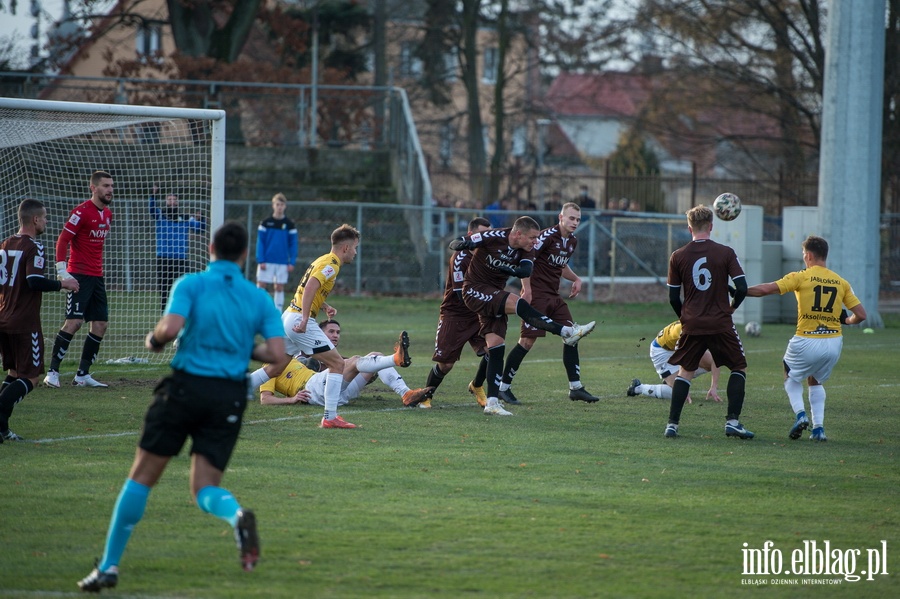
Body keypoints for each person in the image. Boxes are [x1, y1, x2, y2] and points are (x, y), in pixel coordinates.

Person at [77, 221, 285, 592]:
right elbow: (278, 354)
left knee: (142, 476)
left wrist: (154, 340)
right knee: (204, 488)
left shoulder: (190, 283)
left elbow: (170, 329)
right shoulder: (258, 298)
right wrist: (241, 348)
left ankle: (109, 566)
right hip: (229, 396)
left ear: (210, 249)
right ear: (244, 256)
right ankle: (235, 515)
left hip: (186, 388)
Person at [449, 216, 596, 416]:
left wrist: (508, 269)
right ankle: (566, 331)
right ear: (518, 234)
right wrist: (463, 243)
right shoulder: (495, 236)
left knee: (496, 347)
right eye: (532, 238)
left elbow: (526, 269)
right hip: (474, 290)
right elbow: (457, 243)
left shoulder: (528, 249)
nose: (535, 241)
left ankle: (492, 403)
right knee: (518, 303)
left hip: (493, 296)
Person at [248, 224, 375, 429]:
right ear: (345, 248)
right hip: (298, 318)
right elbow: (311, 286)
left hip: (289, 315)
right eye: (355, 247)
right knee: (337, 364)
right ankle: (330, 417)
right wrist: (306, 318)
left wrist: (323, 305)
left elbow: (308, 288)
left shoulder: (323, 259)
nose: (355, 252)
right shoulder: (332, 264)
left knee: (275, 367)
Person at [746, 235, 866, 442]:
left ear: (809, 255)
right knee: (815, 380)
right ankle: (819, 429)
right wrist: (847, 321)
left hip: (807, 339)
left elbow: (766, 289)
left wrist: (741, 291)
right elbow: (862, 315)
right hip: (834, 342)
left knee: (789, 374)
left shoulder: (801, 276)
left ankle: (801, 415)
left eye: (804, 255)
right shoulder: (841, 282)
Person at [664, 204, 751, 439]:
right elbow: (741, 287)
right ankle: (732, 421)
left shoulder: (678, 256)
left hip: (692, 322)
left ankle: (672, 424)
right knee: (738, 366)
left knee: (685, 371)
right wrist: (732, 308)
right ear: (711, 226)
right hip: (720, 322)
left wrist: (685, 317)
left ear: (688, 227)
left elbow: (673, 297)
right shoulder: (726, 252)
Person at [498, 203, 600, 405]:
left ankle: (576, 387)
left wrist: (576, 279)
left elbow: (560, 266)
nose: (575, 222)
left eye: (578, 219)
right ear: (560, 217)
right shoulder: (545, 236)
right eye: (571, 218)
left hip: (553, 295)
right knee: (527, 341)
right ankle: (503, 388)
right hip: (536, 294)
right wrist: (526, 288)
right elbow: (526, 260)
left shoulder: (572, 241)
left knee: (572, 336)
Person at [0, 200, 80, 442]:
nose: (46, 222)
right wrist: (62, 284)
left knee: (15, 374)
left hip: (3, 317)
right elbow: (34, 281)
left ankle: (2, 429)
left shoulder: (5, 244)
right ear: (35, 220)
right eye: (44, 218)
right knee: (31, 377)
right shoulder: (34, 246)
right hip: (24, 321)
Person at [44, 170, 114, 389]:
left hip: (97, 276)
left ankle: (82, 376)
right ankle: (52, 372)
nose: (110, 189)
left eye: (111, 185)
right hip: (79, 276)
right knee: (74, 322)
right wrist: (62, 271)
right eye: (105, 186)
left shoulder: (108, 214)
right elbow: (63, 240)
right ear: (93, 188)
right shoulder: (81, 212)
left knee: (100, 324)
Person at [259, 320, 432, 407]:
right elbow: (265, 399)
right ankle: (396, 358)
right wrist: (292, 399)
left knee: (375, 357)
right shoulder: (270, 366)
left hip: (337, 393)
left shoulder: (291, 355)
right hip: (313, 389)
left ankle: (406, 393)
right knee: (356, 361)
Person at [422, 217, 492, 409]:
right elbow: (462, 295)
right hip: (455, 314)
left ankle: (477, 385)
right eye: (482, 234)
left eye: (489, 234)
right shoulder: (460, 258)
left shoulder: (486, 254)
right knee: (446, 364)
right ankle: (426, 395)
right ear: (471, 235)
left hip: (476, 313)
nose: (486, 238)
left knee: (492, 350)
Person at [626, 320, 721, 404]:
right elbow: (682, 359)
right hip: (661, 351)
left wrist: (714, 387)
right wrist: (682, 384)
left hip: (677, 348)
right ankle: (639, 388)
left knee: (711, 362)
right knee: (680, 393)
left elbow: (716, 359)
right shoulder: (687, 332)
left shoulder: (705, 327)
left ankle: (672, 380)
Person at [149, 185, 207, 312]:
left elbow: (200, 228)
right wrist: (153, 196)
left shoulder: (185, 218)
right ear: (166, 201)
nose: (172, 201)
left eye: (174, 199)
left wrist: (201, 218)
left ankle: (180, 313)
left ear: (178, 201)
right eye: (169, 199)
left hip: (180, 259)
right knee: (165, 288)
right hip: (164, 258)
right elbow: (152, 209)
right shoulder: (161, 215)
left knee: (182, 287)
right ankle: (165, 314)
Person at [256, 193, 298, 309]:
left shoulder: (290, 225)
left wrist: (292, 261)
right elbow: (261, 242)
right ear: (273, 205)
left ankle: (278, 312)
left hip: (282, 261)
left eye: (282, 205)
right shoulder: (265, 223)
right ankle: (259, 308)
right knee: (261, 284)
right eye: (277, 204)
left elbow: (293, 244)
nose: (279, 207)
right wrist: (261, 259)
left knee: (279, 286)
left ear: (285, 206)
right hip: (267, 260)